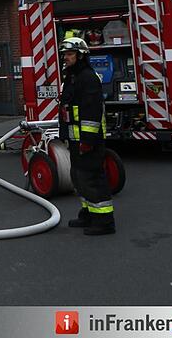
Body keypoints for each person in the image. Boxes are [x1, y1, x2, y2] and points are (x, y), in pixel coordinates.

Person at [58, 36, 116, 236]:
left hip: (87, 141)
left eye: (70, 54)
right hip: (76, 139)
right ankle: (89, 213)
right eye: (64, 54)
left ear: (81, 56)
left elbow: (91, 112)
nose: (66, 57)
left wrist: (87, 141)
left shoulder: (88, 78)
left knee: (92, 178)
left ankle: (104, 220)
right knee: (79, 177)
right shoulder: (72, 77)